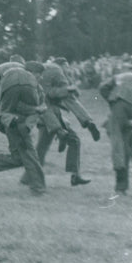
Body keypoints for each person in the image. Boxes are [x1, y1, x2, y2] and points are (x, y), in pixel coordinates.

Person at [0, 61, 48, 196]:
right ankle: (38, 188)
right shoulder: (33, 83)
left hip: (10, 105)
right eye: (40, 75)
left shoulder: (7, 72)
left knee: (19, 157)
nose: (40, 78)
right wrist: (32, 117)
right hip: (20, 124)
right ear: (33, 73)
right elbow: (38, 108)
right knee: (30, 153)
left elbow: (2, 101)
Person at [33, 58, 98, 187]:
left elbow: (50, 93)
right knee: (46, 147)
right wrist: (68, 90)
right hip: (48, 115)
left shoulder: (44, 71)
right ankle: (32, 178)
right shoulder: (57, 71)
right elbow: (59, 95)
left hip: (43, 114)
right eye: (67, 66)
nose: (68, 69)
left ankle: (74, 175)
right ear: (62, 65)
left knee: (43, 148)